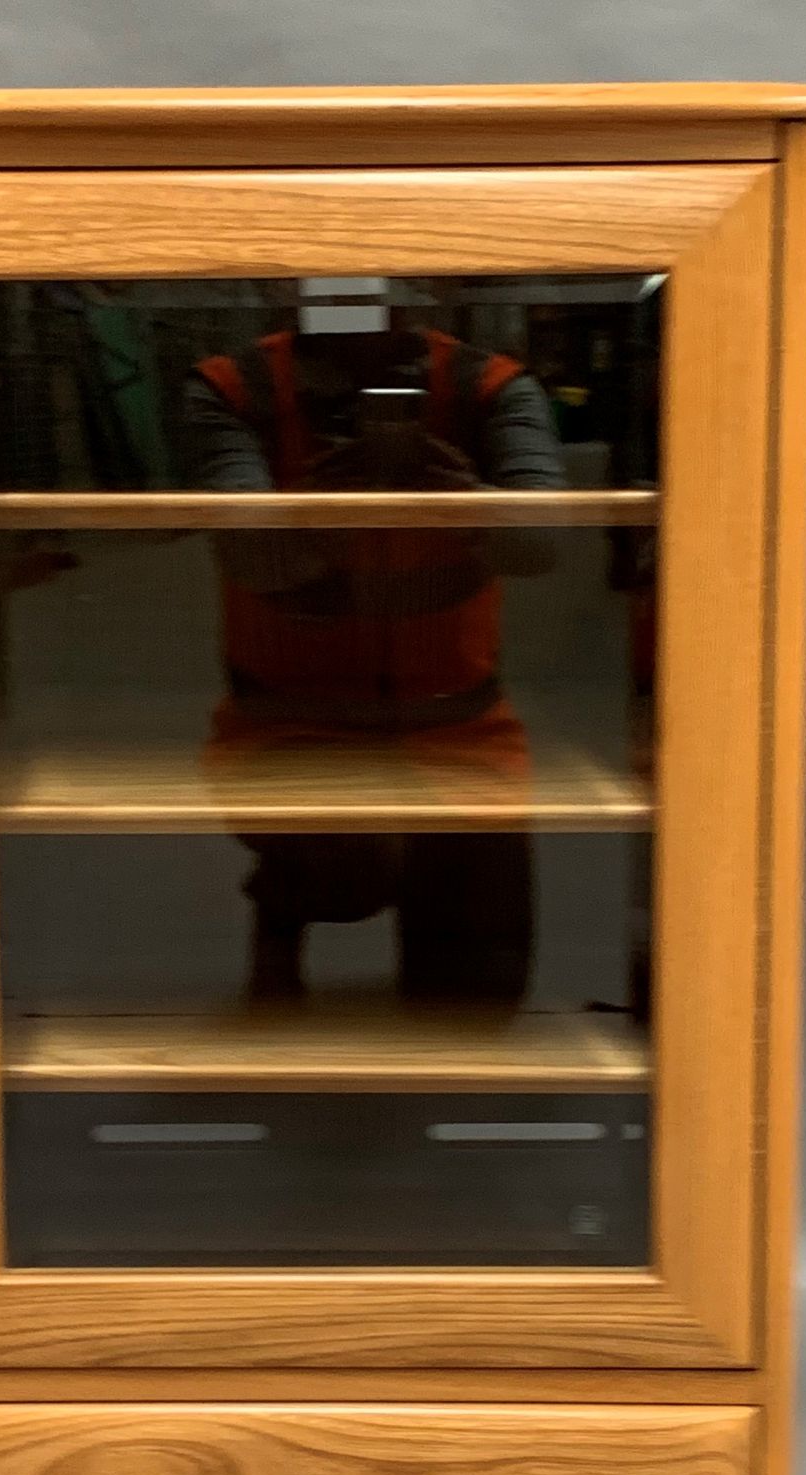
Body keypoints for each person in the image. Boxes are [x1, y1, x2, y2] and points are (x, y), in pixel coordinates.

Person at [183, 312, 567, 1009]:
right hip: (288, 732)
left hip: (459, 731)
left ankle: (297, 903)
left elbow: (540, 548)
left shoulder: (490, 388)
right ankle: (285, 904)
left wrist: (465, 504)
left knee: (476, 1006)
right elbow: (248, 557)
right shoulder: (232, 389)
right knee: (353, 852)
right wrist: (325, 509)